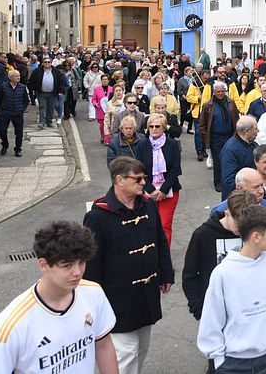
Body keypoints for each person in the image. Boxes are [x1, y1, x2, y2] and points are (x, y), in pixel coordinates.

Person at [0, 221, 118, 374]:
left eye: (82, 262)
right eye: (67, 265)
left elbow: (103, 345)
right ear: (43, 265)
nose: (78, 272)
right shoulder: (13, 324)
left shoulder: (93, 293)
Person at [83, 157, 174, 374]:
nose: (144, 182)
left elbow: (160, 240)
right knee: (125, 356)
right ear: (119, 180)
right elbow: (91, 266)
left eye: (145, 177)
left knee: (141, 349)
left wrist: (166, 273)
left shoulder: (148, 204)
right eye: (138, 178)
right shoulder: (97, 216)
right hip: (118, 300)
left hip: (146, 295)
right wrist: (93, 302)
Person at [198, 205, 266, 374]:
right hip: (234, 363)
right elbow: (212, 318)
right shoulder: (223, 272)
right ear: (256, 237)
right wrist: (219, 360)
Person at [183, 190, 257, 322]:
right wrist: (200, 312)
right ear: (227, 213)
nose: (242, 230)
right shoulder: (203, 235)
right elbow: (190, 276)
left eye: (246, 225)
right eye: (238, 224)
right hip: (215, 313)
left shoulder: (254, 233)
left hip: (249, 311)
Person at [135, 114, 183, 245]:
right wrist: (150, 189)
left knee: (164, 225)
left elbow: (175, 169)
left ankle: (164, 260)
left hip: (169, 190)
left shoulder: (172, 144)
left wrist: (163, 190)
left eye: (157, 126)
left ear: (163, 128)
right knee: (149, 225)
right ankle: (152, 256)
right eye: (151, 126)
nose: (154, 129)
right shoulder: (142, 145)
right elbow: (139, 170)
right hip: (148, 190)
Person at [200, 81, 240, 193]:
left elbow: (236, 118)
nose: (221, 93)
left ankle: (229, 181)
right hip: (215, 137)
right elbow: (202, 124)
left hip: (229, 136)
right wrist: (205, 138)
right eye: (218, 91)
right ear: (214, 92)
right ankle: (218, 182)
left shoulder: (231, 103)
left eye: (223, 91)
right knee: (217, 160)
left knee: (230, 159)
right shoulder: (208, 105)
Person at [219, 115, 258, 200]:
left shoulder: (253, 145)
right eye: (255, 129)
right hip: (238, 199)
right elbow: (229, 180)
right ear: (247, 131)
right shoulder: (230, 150)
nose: (258, 131)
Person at [0, 69, 29, 157]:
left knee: (19, 132)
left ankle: (18, 149)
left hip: (17, 113)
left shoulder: (22, 87)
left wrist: (22, 109)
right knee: (2, 131)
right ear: (10, 77)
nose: (19, 77)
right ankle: (5, 145)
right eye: (17, 76)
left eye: (19, 76)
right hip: (5, 112)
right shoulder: (3, 87)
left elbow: (26, 100)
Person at [29, 56, 67, 130]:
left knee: (51, 108)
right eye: (45, 62)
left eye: (48, 62)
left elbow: (61, 81)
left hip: (53, 93)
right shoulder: (37, 71)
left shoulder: (56, 71)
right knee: (42, 107)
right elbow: (32, 81)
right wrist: (34, 89)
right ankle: (42, 122)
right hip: (41, 93)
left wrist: (61, 91)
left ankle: (49, 121)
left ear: (51, 63)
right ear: (42, 63)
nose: (47, 63)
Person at [187, 69, 211, 161]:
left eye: (207, 78)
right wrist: (198, 98)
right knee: (198, 132)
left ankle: (205, 149)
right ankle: (199, 151)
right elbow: (189, 97)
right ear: (200, 76)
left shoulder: (209, 85)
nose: (206, 80)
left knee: (206, 132)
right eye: (204, 78)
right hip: (198, 112)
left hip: (208, 111)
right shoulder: (194, 85)